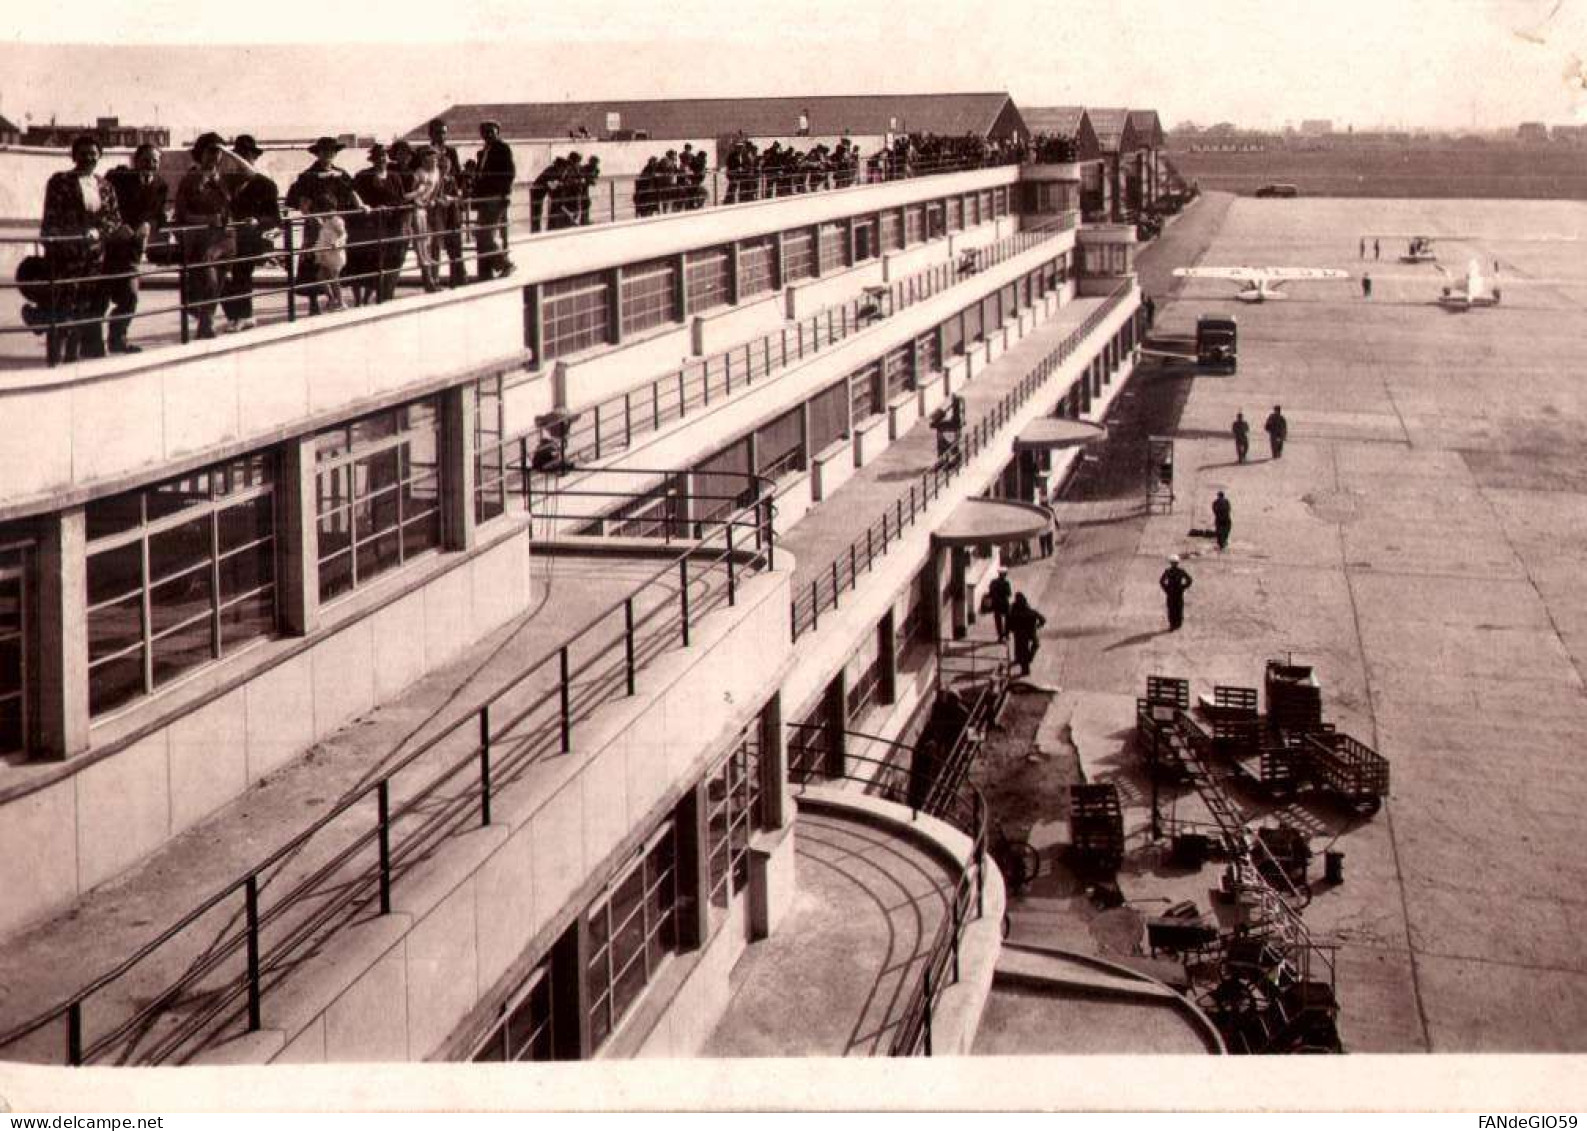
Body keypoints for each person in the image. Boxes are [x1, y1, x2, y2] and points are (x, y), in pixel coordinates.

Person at [39, 134, 124, 361]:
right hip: (67, 254)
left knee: (86, 306)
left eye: (93, 154)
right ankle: (55, 356)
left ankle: (73, 355)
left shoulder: (105, 185)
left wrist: (98, 232)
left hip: (94, 256)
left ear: (100, 157)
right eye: (83, 154)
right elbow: (51, 217)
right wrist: (63, 240)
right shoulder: (60, 181)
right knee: (62, 305)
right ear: (74, 155)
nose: (88, 158)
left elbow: (114, 218)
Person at [285, 137, 363, 312]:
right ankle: (315, 301)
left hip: (334, 223)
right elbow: (303, 202)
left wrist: (361, 205)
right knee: (312, 262)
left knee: (333, 263)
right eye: (324, 151)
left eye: (331, 151)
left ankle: (335, 299)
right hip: (315, 223)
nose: (328, 154)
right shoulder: (308, 176)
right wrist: (313, 218)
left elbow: (351, 192)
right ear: (318, 153)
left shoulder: (340, 174)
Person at [102, 143, 167, 353]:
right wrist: (120, 227)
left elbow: (157, 215)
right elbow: (106, 206)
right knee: (102, 296)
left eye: (155, 161)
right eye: (146, 160)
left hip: (134, 249)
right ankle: (93, 342)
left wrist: (149, 226)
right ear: (136, 161)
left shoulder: (160, 184)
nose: (150, 165)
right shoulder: (119, 179)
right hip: (110, 245)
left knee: (129, 296)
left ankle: (117, 338)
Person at [174, 132, 235, 341]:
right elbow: (181, 215)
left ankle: (205, 322)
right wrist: (206, 220)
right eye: (211, 151)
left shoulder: (225, 179)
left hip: (225, 238)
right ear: (200, 153)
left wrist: (232, 156)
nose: (215, 157)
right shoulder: (189, 180)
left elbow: (255, 177)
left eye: (219, 152)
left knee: (217, 281)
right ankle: (205, 322)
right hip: (201, 239)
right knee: (208, 279)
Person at [219, 135, 279, 333]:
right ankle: (235, 315)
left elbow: (274, 218)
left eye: (247, 156)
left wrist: (258, 221)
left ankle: (244, 316)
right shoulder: (225, 183)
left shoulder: (265, 185)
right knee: (223, 278)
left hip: (249, 238)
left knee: (241, 276)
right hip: (226, 238)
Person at [350, 145, 406, 305]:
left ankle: (379, 295)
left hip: (390, 225)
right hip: (369, 225)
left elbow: (400, 200)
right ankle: (360, 300)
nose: (381, 159)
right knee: (366, 262)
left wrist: (390, 209)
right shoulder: (363, 176)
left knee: (388, 261)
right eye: (378, 157)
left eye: (384, 156)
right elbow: (353, 192)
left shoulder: (394, 177)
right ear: (372, 159)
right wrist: (367, 207)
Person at [425, 119, 469, 287]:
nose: (442, 136)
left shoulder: (451, 151)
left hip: (450, 203)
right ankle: (433, 280)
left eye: (444, 132)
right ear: (431, 134)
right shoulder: (425, 152)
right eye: (438, 132)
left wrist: (457, 194)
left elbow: (457, 175)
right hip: (435, 204)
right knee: (435, 242)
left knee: (455, 240)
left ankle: (458, 277)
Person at [473, 120, 515, 280]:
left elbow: (509, 172)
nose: (488, 134)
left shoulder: (502, 149)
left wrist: (505, 194)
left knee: (485, 235)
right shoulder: (483, 152)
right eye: (485, 132)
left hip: (495, 197)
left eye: (492, 131)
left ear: (497, 132)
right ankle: (486, 272)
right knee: (483, 234)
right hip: (484, 198)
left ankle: (505, 264)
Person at [405, 145, 448, 292]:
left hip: (428, 209)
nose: (434, 161)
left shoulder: (437, 172)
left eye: (435, 158)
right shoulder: (418, 174)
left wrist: (432, 200)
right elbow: (407, 196)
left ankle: (432, 278)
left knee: (430, 243)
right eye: (430, 158)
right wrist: (419, 193)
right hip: (416, 209)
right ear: (423, 160)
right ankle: (428, 280)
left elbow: (436, 189)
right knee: (421, 243)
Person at [1007, 593, 1047, 676]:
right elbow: (1043, 619)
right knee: (1034, 645)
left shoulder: (1013, 611)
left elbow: (1008, 622)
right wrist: (1037, 626)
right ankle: (1027, 661)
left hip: (1019, 634)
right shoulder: (1030, 611)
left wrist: (1008, 631)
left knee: (1020, 650)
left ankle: (1022, 663)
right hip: (1030, 632)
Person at [528, 155, 565, 233]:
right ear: (559, 166)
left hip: (540, 191)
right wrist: (558, 184)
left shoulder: (554, 170)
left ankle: (537, 229)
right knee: (536, 212)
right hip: (536, 191)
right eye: (562, 167)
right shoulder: (551, 171)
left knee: (538, 211)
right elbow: (551, 185)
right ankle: (535, 230)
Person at [1159, 555, 1192, 631]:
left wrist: (1166, 589)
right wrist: (1183, 587)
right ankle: (1178, 623)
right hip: (1178, 591)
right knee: (1178, 608)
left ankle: (1172, 624)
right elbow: (1189, 580)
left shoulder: (1168, 571)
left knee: (1172, 608)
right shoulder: (1181, 571)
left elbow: (1161, 581)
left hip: (1171, 592)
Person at [987, 567, 1013, 641]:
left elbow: (990, 592)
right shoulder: (1006, 583)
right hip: (1004, 603)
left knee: (998, 621)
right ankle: (1007, 634)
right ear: (1004, 575)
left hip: (996, 603)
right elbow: (1009, 593)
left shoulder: (993, 582)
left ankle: (1000, 636)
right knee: (1008, 619)